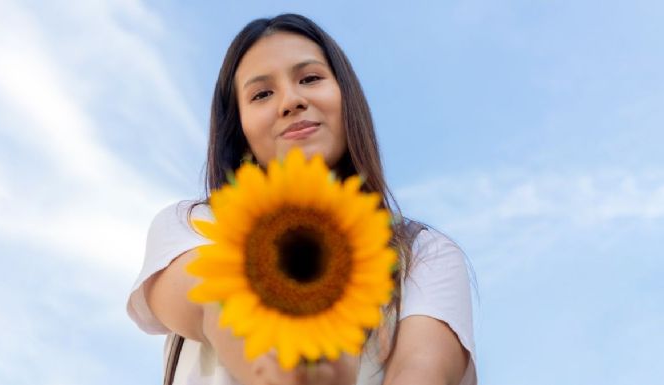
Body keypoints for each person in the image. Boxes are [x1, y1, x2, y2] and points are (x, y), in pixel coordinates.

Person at [127, 13, 477, 385]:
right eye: (262, 94)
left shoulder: (424, 254)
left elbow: (423, 370)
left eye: (310, 78)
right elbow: (215, 309)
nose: (291, 101)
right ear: (241, 130)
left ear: (346, 98)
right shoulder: (195, 226)